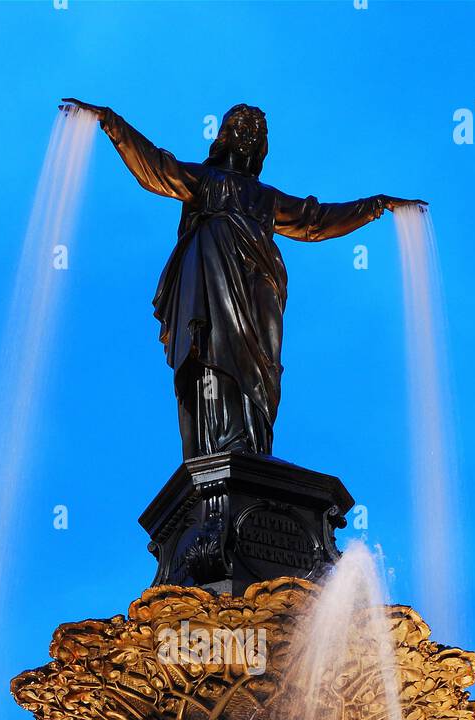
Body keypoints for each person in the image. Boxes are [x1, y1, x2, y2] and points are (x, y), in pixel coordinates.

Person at [61, 99, 425, 458]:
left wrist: (375, 205)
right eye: (242, 125)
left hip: (261, 281)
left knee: (266, 364)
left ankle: (254, 444)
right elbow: (157, 167)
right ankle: (222, 443)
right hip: (211, 274)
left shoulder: (267, 199)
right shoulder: (205, 180)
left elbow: (315, 219)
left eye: (257, 129)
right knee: (212, 351)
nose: (250, 132)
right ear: (224, 135)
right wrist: (111, 122)